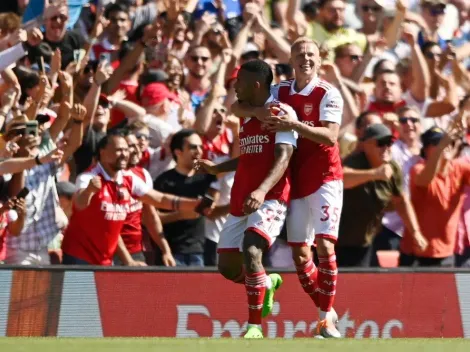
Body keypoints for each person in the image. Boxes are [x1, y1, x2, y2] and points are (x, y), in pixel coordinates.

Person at [232, 37, 343, 338]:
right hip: (293, 180)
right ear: (291, 60)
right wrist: (258, 114)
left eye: (311, 54)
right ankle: (327, 306)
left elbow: (330, 137)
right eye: (299, 55)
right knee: (300, 257)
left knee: (325, 246)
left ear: (320, 60)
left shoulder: (328, 94)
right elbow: (237, 106)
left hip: (324, 178)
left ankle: (324, 320)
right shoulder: (279, 91)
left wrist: (293, 126)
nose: (305, 59)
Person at [195, 60, 297, 339]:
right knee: (227, 267)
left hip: (271, 196)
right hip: (243, 196)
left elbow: (283, 157)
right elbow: (250, 155)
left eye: (238, 82)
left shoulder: (280, 112)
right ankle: (266, 281)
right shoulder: (247, 113)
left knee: (252, 251)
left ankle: (254, 327)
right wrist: (217, 168)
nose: (234, 87)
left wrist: (262, 190)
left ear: (254, 84)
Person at [61, 130, 202, 266]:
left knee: (107, 292)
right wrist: (89, 191)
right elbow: (79, 204)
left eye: (125, 150)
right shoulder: (88, 177)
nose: (124, 154)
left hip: (105, 259)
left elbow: (160, 199)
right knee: (77, 292)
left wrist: (195, 204)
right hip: (79, 257)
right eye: (118, 150)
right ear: (102, 152)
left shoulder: (129, 179)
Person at [339, 123, 427, 267]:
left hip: (365, 242)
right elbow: (340, 178)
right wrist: (374, 174)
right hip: (338, 243)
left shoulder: (392, 167)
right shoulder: (355, 161)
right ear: (366, 145)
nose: (386, 148)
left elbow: (401, 201)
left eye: (389, 143)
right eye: (380, 143)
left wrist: (415, 232)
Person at [400, 124, 470, 267]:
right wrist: (441, 148)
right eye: (436, 143)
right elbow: (426, 179)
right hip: (416, 252)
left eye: (446, 142)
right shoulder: (418, 169)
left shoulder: (460, 168)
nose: (444, 146)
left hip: (446, 252)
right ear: (426, 150)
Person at [154, 129, 218, 267]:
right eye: (193, 147)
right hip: (171, 253)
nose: (199, 151)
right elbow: (152, 219)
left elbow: (231, 171)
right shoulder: (163, 181)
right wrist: (180, 215)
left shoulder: (205, 178)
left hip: (199, 251)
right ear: (178, 152)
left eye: (201, 146)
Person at [114, 132, 176, 267]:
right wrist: (127, 260)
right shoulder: (110, 176)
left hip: (136, 250)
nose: (137, 150)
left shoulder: (143, 174)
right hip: (111, 253)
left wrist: (165, 249)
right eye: (131, 146)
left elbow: (150, 215)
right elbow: (109, 225)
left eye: (137, 145)